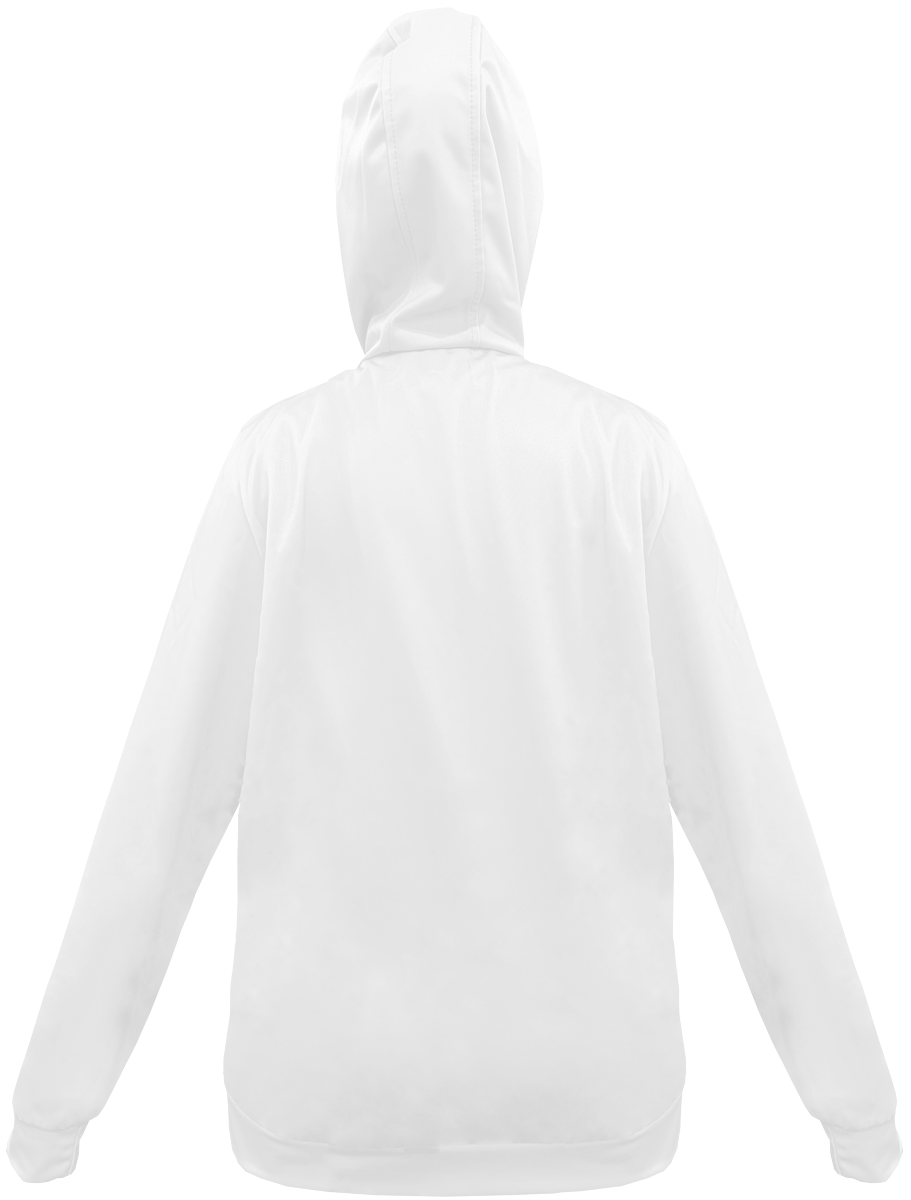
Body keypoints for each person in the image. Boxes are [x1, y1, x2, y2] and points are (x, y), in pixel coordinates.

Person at [7, 6, 901, 1192]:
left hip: (320, 1099)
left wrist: (51, 1115)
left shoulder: (282, 461)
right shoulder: (623, 457)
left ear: (352, 208)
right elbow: (749, 810)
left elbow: (158, 812)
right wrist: (855, 1114)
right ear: (524, 198)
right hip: (598, 1098)